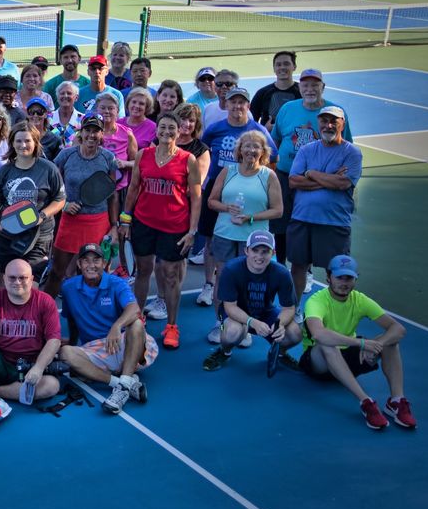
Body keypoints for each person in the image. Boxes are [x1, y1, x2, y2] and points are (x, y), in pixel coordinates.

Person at [300, 255, 417, 430]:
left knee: (391, 341)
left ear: (356, 278)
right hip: (318, 363)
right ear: (328, 277)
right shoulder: (316, 301)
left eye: (349, 278)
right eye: (339, 277)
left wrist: (379, 344)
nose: (344, 282)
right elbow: (318, 334)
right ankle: (366, 402)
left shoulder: (360, 299)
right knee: (326, 343)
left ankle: (396, 401)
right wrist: (361, 344)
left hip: (348, 358)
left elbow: (398, 328)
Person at [120, 113, 202, 350]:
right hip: (144, 223)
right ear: (157, 131)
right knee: (143, 271)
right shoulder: (143, 156)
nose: (167, 131)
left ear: (179, 132)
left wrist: (192, 230)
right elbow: (134, 188)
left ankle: (172, 326)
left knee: (170, 276)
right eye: (163, 127)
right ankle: (137, 319)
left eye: (172, 128)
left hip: (175, 226)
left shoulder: (188, 160)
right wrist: (125, 220)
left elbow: (196, 197)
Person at [198, 88, 277, 307]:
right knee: (210, 240)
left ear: (247, 106)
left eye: (242, 102)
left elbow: (273, 157)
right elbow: (203, 150)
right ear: (227, 104)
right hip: (218, 184)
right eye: (233, 102)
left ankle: (243, 314)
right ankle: (208, 284)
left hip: (248, 185)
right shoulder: (215, 129)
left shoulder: (258, 130)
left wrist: (256, 178)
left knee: (244, 262)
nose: (237, 106)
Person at [0, 259, 62, 427]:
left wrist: (38, 367)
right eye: (12, 278)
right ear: (4, 279)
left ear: (32, 279)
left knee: (52, 386)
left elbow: (54, 339)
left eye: (22, 278)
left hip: (29, 366)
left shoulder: (45, 302)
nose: (17, 282)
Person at [57, 242, 152, 414]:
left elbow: (134, 309)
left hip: (124, 344)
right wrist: (71, 341)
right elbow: (71, 318)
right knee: (66, 353)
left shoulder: (117, 283)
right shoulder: (69, 288)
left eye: (96, 260)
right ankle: (123, 384)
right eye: (85, 261)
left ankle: (124, 378)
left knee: (137, 324)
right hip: (95, 349)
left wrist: (117, 326)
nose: (91, 265)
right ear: (79, 264)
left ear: (104, 263)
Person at [272, 69, 352, 265]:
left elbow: (346, 146)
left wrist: (325, 179)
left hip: (315, 178)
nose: (310, 89)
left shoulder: (335, 113)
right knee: (281, 224)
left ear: (322, 87)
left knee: (308, 224)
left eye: (315, 85)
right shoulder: (287, 109)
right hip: (285, 175)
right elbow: (274, 141)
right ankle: (280, 265)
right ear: (300, 88)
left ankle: (305, 269)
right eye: (305, 85)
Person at [203, 130, 284, 315]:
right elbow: (211, 201)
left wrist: (251, 218)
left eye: (256, 146)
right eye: (247, 145)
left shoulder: (269, 176)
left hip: (254, 240)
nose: (251, 150)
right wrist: (226, 207)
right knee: (224, 279)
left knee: (248, 282)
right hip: (224, 234)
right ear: (240, 150)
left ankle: (244, 325)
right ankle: (221, 322)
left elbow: (278, 211)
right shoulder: (228, 171)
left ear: (263, 151)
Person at [288, 105, 362, 303]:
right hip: (302, 218)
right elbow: (294, 181)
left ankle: (335, 312)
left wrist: (311, 173)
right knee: (298, 266)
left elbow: (343, 183)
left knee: (338, 270)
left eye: (333, 121)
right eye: (324, 121)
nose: (328, 125)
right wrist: (328, 179)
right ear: (319, 123)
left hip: (334, 222)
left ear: (342, 124)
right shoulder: (306, 149)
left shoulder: (352, 153)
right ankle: (294, 309)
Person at [202, 231, 301, 372]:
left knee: (295, 333)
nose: (259, 256)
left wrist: (280, 324)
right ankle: (224, 352)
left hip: (265, 313)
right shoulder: (231, 269)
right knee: (232, 331)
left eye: (265, 251)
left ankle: (279, 353)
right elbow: (229, 307)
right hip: (235, 314)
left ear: (273, 253)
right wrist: (252, 322)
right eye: (255, 250)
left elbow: (289, 308)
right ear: (246, 251)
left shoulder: (282, 273)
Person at [46, 114, 119, 303]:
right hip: (70, 222)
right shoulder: (66, 155)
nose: (91, 135)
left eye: (96, 131)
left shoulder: (108, 158)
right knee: (56, 272)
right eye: (88, 130)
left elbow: (112, 194)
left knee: (92, 274)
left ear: (102, 134)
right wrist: (64, 205)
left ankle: (91, 315)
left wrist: (114, 226)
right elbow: (52, 185)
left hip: (97, 222)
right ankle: (43, 312)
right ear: (81, 131)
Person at [0, 123, 66, 276]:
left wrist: (41, 216)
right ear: (12, 144)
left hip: (38, 235)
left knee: (30, 286)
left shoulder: (49, 169)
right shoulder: (4, 171)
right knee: (5, 284)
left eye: (28, 141)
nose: (23, 145)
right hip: (8, 234)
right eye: (18, 141)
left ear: (36, 143)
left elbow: (60, 199)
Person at [252, 51, 300, 128]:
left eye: (286, 64)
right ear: (274, 68)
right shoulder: (262, 93)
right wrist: (264, 130)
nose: (282, 67)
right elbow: (251, 122)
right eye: (278, 65)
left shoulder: (302, 92)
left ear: (294, 67)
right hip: (268, 139)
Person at [24, 95, 63, 161]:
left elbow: (58, 164)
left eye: (40, 112)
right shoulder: (21, 136)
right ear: (27, 114)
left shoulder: (54, 140)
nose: (35, 115)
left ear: (45, 114)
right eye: (31, 112)